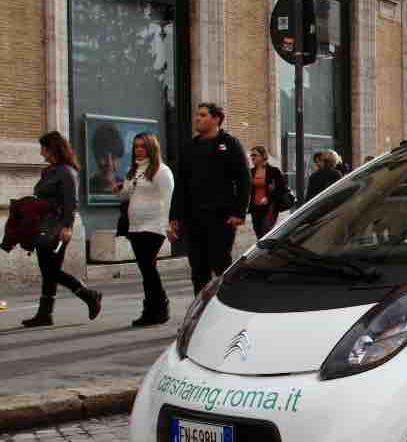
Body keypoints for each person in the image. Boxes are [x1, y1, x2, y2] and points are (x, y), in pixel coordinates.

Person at [168, 103, 251, 295]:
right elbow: (180, 184)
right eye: (197, 115)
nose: (197, 118)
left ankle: (230, 302)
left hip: (221, 217)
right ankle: (201, 308)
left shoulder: (230, 144)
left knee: (221, 263)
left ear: (216, 119)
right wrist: (175, 216)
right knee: (198, 268)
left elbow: (244, 179)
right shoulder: (190, 147)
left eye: (203, 115)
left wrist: (239, 212)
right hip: (193, 217)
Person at [23, 131, 103, 327]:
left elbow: (71, 202)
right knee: (47, 269)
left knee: (51, 271)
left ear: (52, 149)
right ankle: (45, 314)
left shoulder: (67, 172)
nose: (41, 151)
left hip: (58, 227)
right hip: (43, 225)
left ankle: (89, 295)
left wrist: (67, 227)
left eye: (43, 147)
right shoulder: (48, 171)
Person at [113, 132, 174, 326]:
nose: (138, 149)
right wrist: (118, 188)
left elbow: (168, 199)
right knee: (147, 269)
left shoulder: (162, 171)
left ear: (151, 148)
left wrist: (168, 226)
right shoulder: (134, 170)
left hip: (154, 226)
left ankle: (157, 308)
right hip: (135, 226)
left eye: (142, 146)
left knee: (148, 268)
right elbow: (125, 196)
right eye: (135, 146)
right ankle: (155, 308)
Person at [248, 146, 290, 238]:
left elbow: (282, 188)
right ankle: (263, 251)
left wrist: (268, 197)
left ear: (263, 156)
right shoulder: (251, 172)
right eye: (251, 155)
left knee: (266, 232)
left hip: (269, 206)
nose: (252, 157)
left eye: (254, 155)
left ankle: (268, 250)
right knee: (258, 232)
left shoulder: (274, 171)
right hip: (255, 207)